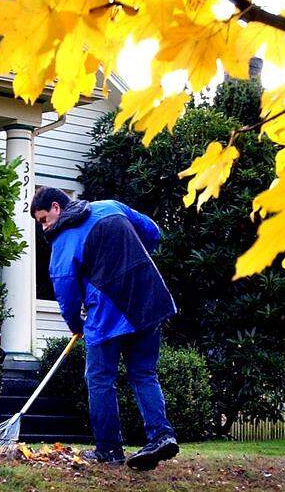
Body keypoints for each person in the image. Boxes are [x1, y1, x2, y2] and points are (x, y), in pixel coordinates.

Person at [30, 187, 179, 470]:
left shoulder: (63, 240)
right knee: (144, 373)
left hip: (109, 313)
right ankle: (161, 436)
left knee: (99, 379)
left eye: (43, 219)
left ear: (56, 207)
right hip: (149, 298)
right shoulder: (111, 205)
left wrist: (77, 325)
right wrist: (132, 262)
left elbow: (66, 292)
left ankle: (109, 451)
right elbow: (152, 232)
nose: (44, 227)